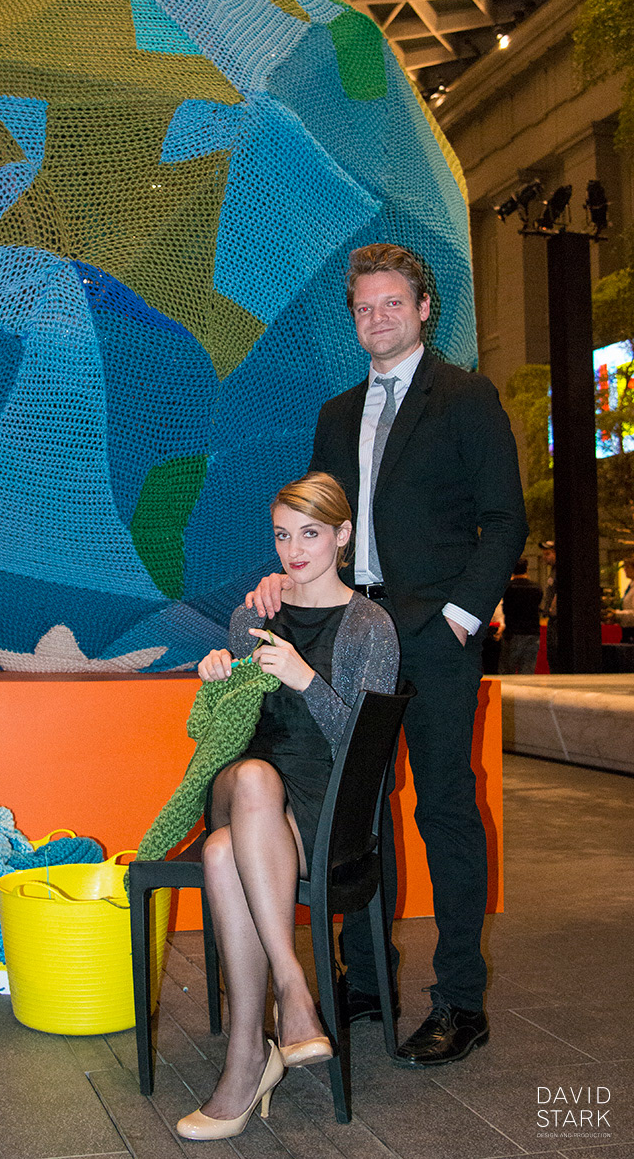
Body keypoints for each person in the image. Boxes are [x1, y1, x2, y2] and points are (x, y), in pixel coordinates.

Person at [249, 244, 527, 1068]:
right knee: (358, 814)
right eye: (365, 307)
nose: (377, 318)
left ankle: (461, 1001)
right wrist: (285, 577)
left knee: (443, 808)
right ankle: (366, 981)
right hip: (351, 630)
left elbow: (504, 518)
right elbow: (318, 521)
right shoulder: (337, 413)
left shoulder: (466, 397)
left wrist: (458, 619)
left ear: (423, 308)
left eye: (392, 303)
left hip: (435, 640)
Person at [175, 473, 398, 1142]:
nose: (294, 551)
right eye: (281, 535)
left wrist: (306, 679)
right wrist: (217, 673)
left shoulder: (371, 626)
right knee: (250, 779)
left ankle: (248, 1057)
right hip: (244, 788)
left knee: (222, 855)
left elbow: (368, 756)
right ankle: (295, 988)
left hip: (323, 808)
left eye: (310, 533)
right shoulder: (255, 613)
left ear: (342, 535)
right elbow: (225, 727)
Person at [499, 558, 543, 673]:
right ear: (527, 569)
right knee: (527, 671)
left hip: (512, 633)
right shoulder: (536, 588)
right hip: (532, 633)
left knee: (507, 672)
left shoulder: (507, 588)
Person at [540, 540, 558, 670]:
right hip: (552, 617)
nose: (545, 557)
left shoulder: (559, 571)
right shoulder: (552, 571)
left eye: (548, 554)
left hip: (556, 618)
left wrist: (552, 608)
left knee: (554, 650)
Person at [610, 557, 634, 644]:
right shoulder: (630, 586)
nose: (624, 570)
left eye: (628, 567)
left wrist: (617, 614)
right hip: (627, 629)